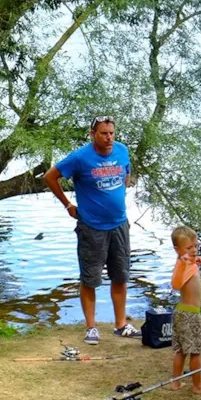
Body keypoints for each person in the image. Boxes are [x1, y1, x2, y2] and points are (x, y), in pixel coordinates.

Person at [43, 116, 139, 345]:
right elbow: (50, 176)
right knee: (90, 279)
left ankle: (120, 325)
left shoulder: (122, 151)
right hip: (91, 227)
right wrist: (68, 205)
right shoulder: (80, 157)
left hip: (119, 224)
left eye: (112, 133)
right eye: (104, 133)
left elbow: (126, 175)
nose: (109, 138)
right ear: (93, 134)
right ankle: (91, 328)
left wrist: (117, 196)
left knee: (121, 275)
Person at [169, 226, 201, 393]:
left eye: (195, 246)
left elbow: (190, 266)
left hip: (185, 312)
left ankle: (176, 382)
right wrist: (185, 263)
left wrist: (195, 260)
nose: (193, 250)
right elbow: (176, 284)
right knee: (195, 351)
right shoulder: (181, 264)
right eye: (188, 247)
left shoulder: (188, 262)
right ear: (177, 249)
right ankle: (197, 386)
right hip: (189, 314)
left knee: (182, 350)